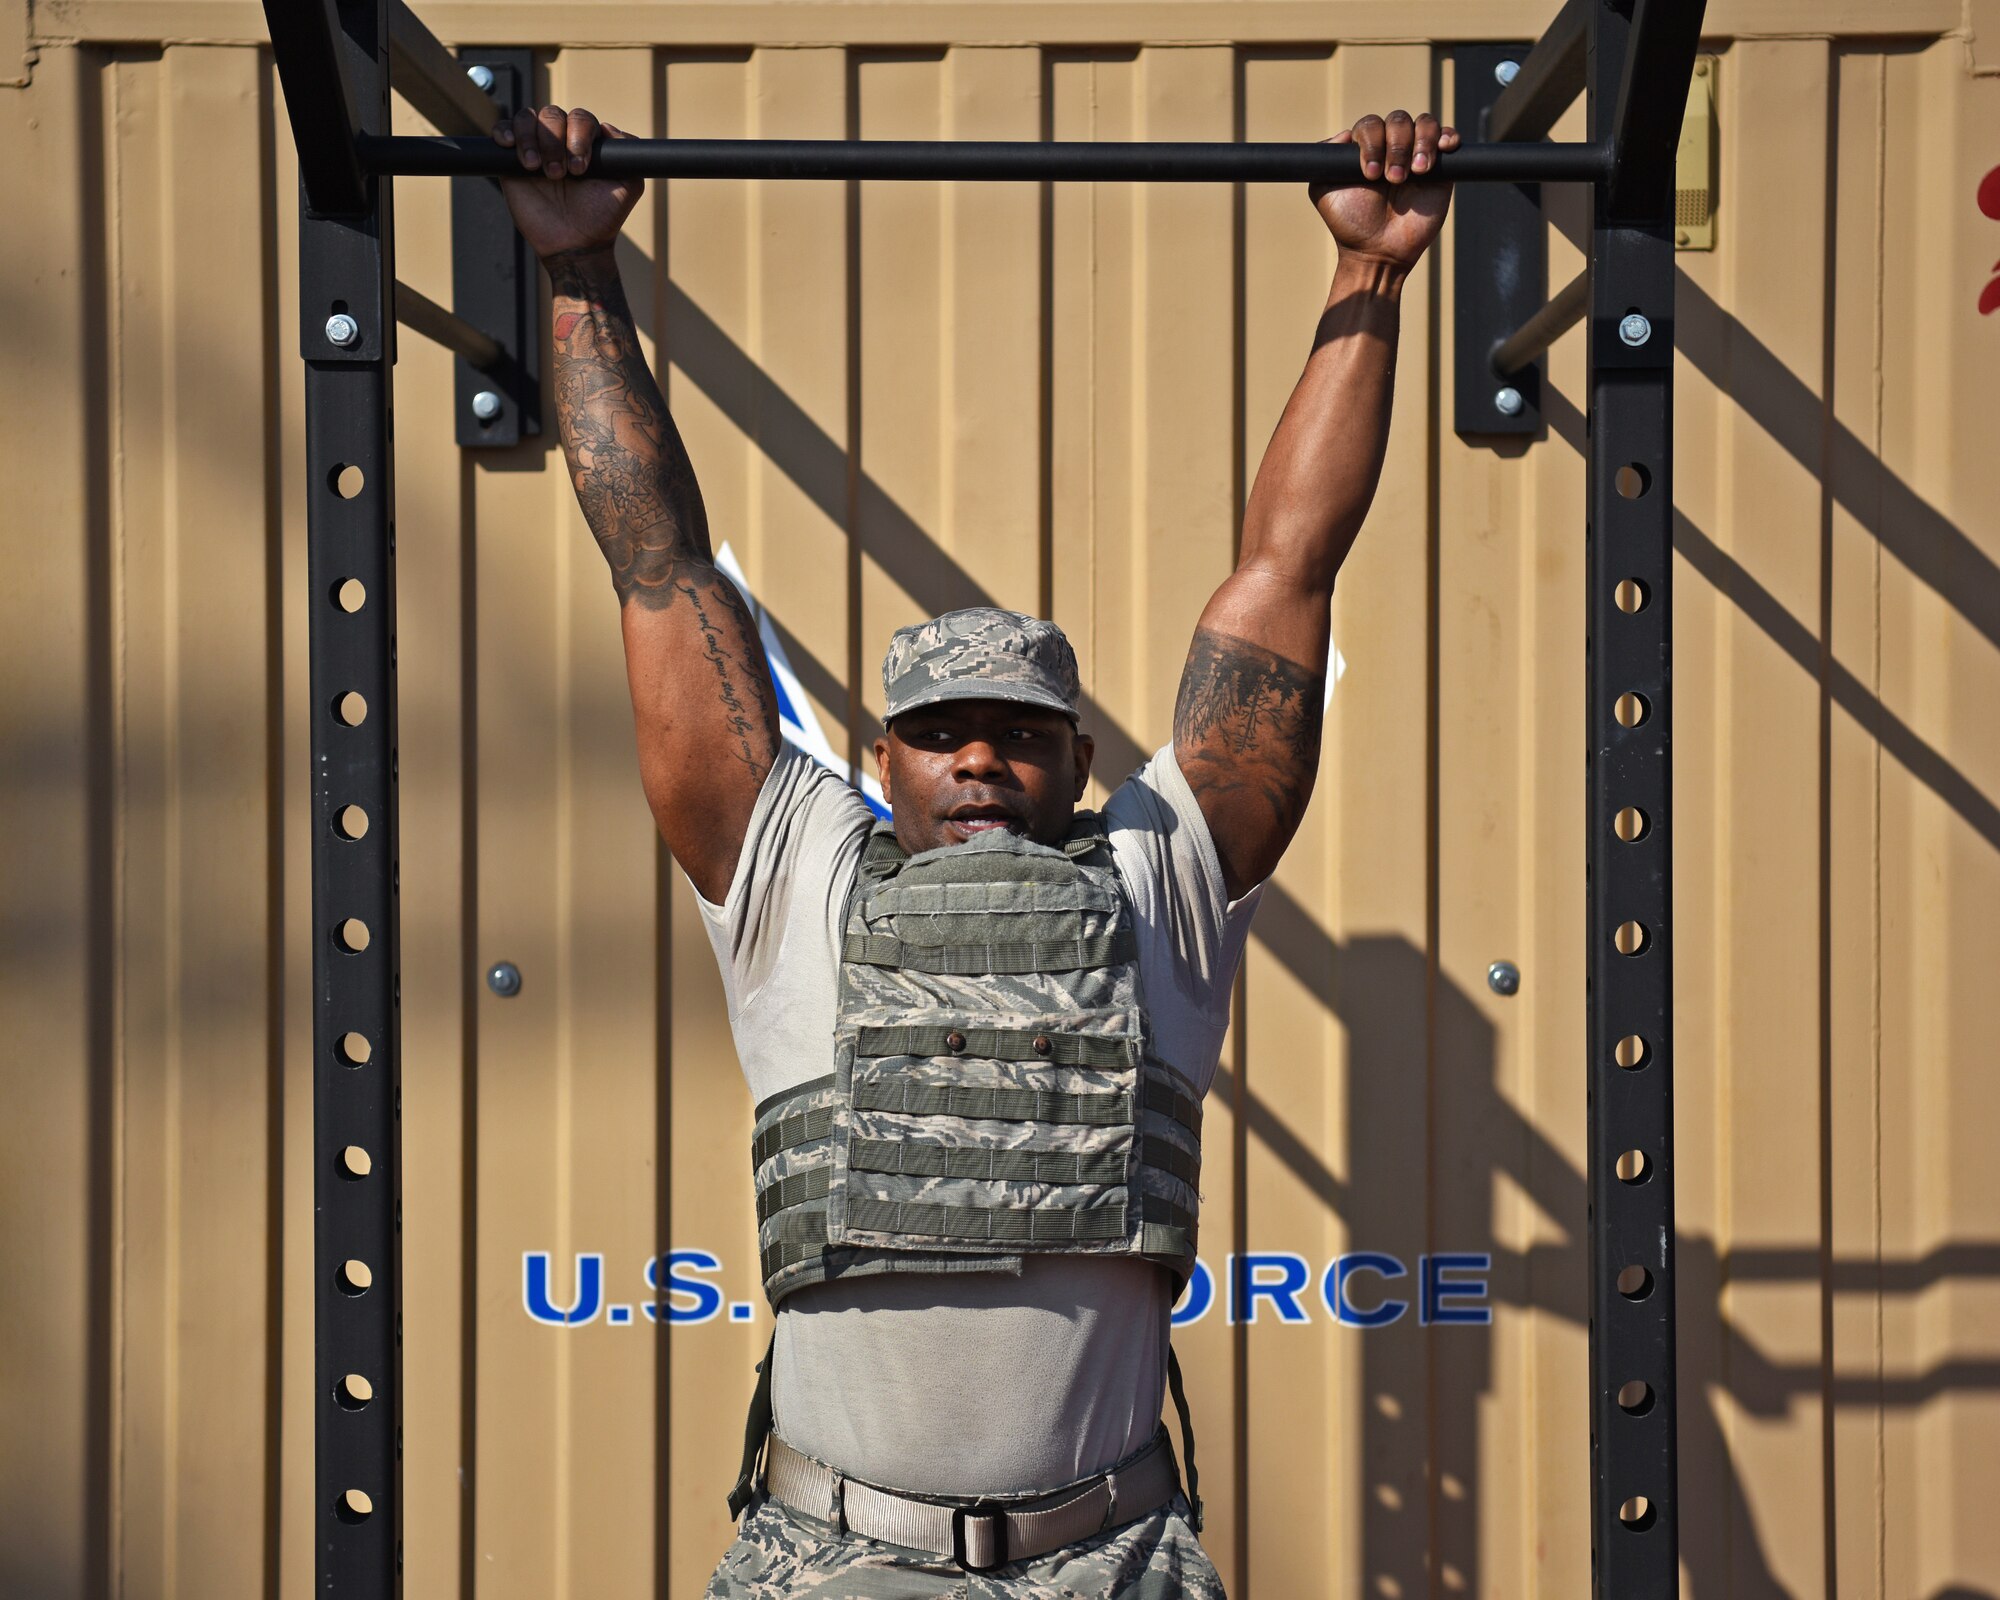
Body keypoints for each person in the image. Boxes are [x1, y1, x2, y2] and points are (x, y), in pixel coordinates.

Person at [495, 101, 1458, 1598]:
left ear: (1084, 763)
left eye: (1021, 731)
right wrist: (572, 267)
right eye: (942, 731)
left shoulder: (1156, 889)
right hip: (835, 1563)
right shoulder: (794, 883)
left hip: (1110, 1563)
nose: (982, 757)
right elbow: (655, 563)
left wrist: (1374, 278)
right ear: (879, 763)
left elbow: (1289, 571)